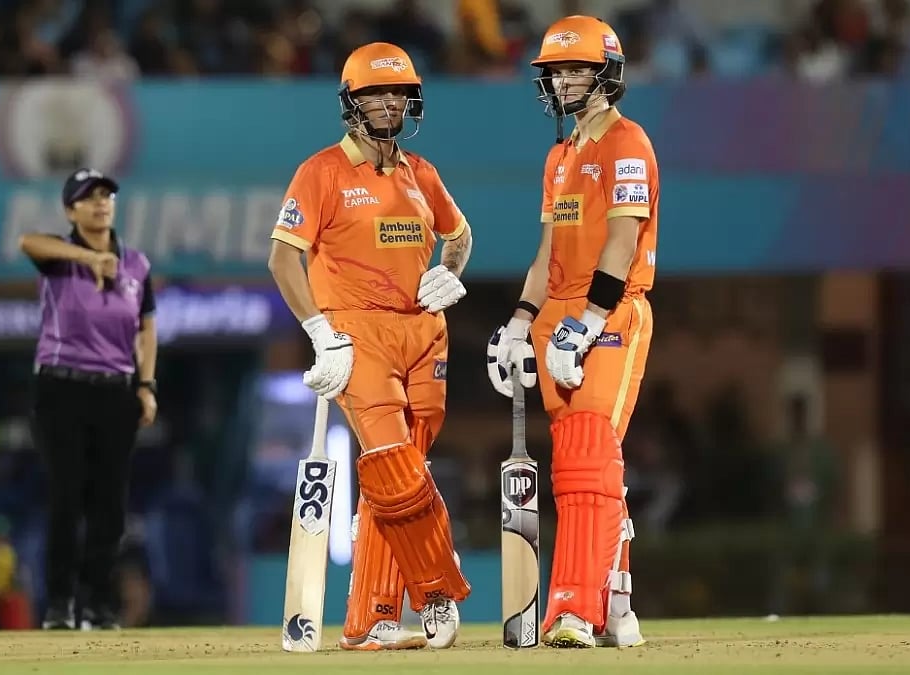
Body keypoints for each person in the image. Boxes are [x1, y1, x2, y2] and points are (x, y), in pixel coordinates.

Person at [268, 42, 474, 651]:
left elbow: (459, 235)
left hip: (424, 330)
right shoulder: (321, 171)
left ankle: (372, 619)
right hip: (355, 331)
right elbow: (283, 260)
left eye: (398, 94)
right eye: (374, 94)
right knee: (394, 466)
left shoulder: (422, 173)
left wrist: (451, 270)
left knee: (401, 476)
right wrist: (318, 333)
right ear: (351, 102)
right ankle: (435, 589)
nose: (389, 104)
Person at [486, 14, 657, 648]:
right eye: (555, 70)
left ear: (607, 73)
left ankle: (571, 612)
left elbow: (622, 240)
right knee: (584, 469)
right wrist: (519, 322)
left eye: (575, 68)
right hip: (554, 315)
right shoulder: (560, 157)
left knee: (587, 453)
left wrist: (586, 324)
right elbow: (545, 256)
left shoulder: (629, 144)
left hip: (610, 314)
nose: (562, 81)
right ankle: (616, 601)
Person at [18, 168, 159, 630]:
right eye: (90, 197)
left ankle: (97, 604)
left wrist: (146, 384)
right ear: (70, 210)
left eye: (107, 196)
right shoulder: (60, 258)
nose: (101, 204)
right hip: (61, 388)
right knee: (66, 497)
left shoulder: (136, 264)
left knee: (110, 507)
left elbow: (146, 326)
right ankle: (59, 605)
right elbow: (28, 243)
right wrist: (87, 258)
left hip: (116, 392)